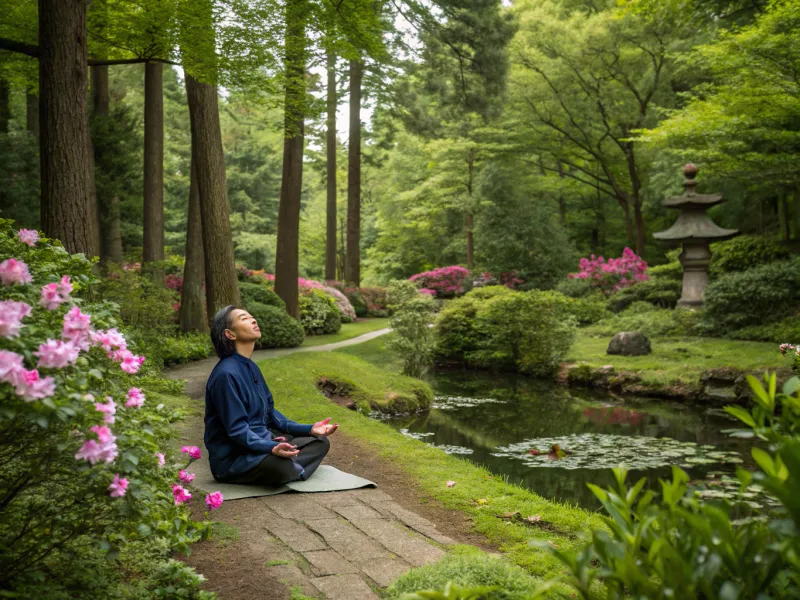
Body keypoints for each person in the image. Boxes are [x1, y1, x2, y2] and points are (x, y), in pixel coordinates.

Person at [204, 305, 338, 486]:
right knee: (278, 465)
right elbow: (237, 430)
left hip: (263, 444)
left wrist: (310, 429)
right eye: (244, 318)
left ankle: (290, 466)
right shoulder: (225, 375)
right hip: (235, 458)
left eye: (252, 316)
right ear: (230, 334)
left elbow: (272, 415)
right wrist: (271, 447)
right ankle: (290, 467)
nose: (253, 320)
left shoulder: (251, 367)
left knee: (320, 441)